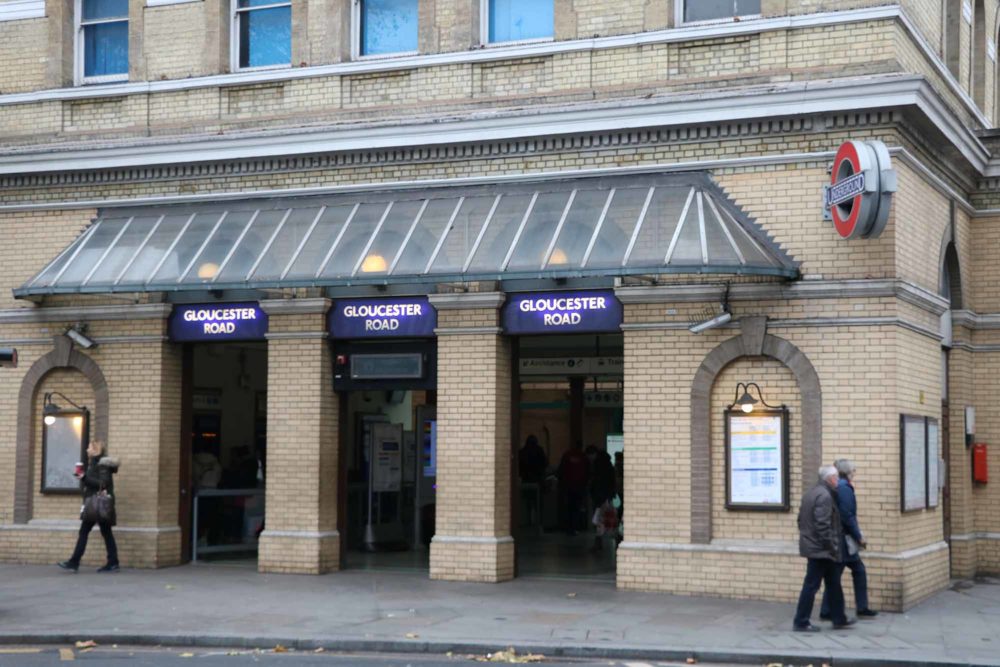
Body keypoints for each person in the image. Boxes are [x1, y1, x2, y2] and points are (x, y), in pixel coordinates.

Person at [792, 465, 854, 632]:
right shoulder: (825, 496)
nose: (838, 481)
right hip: (821, 550)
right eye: (836, 478)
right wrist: (832, 546)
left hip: (817, 547)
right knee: (811, 585)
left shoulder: (812, 492)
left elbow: (800, 520)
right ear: (830, 479)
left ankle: (838, 618)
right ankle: (801, 621)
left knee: (834, 584)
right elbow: (822, 526)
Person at [820, 459, 878, 619]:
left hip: (842, 538)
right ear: (847, 471)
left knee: (853, 571)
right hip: (844, 540)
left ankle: (832, 609)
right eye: (853, 470)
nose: (855, 473)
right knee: (839, 574)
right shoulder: (845, 488)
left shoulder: (841, 486)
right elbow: (847, 515)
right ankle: (830, 610)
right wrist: (858, 536)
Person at [58, 440, 119, 573]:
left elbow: (103, 483)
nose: (87, 449)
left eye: (89, 447)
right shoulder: (94, 463)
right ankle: (113, 562)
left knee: (85, 532)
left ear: (96, 449)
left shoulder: (102, 465)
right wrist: (84, 477)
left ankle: (74, 562)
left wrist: (84, 477)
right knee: (106, 533)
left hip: (97, 504)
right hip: (95, 503)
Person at [586, 446, 617, 552]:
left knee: (600, 520)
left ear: (593, 454)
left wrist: (597, 496)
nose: (589, 459)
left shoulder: (599, 466)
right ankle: (601, 541)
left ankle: (598, 543)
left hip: (600, 497)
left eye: (589, 456)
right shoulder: (607, 464)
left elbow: (598, 483)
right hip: (606, 496)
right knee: (603, 519)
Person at [558, 440, 589, 535]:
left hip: (568, 486)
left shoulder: (567, 455)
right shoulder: (583, 457)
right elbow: (587, 471)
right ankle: (575, 527)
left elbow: (561, 470)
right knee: (577, 508)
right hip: (579, 486)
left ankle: (568, 528)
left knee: (568, 507)